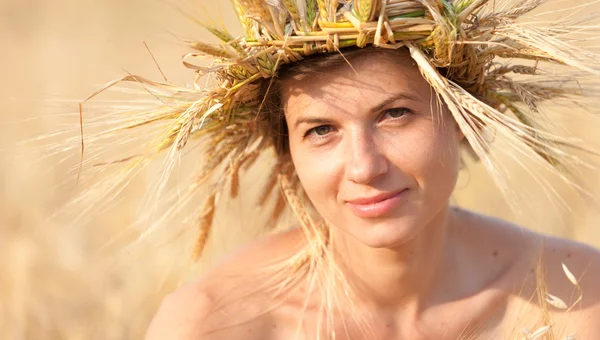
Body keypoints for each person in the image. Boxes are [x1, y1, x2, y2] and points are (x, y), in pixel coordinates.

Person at [84, 0, 600, 339]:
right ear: (288, 152)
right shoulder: (213, 324)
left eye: (395, 114)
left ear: (464, 116)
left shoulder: (576, 301)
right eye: (320, 130)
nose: (364, 166)